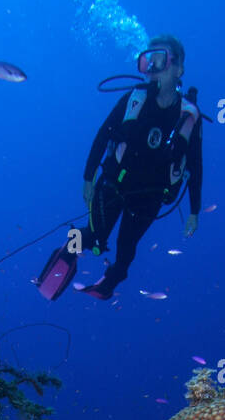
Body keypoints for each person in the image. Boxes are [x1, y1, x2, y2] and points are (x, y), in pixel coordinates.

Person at [37, 34, 203, 301]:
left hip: (150, 195)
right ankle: (69, 250)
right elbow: (103, 134)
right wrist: (88, 177)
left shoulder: (188, 116)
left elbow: (195, 164)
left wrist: (194, 211)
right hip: (116, 183)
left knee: (127, 248)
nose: (152, 68)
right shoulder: (133, 99)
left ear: (178, 69)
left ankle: (110, 281)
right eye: (148, 61)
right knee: (92, 237)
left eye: (159, 60)